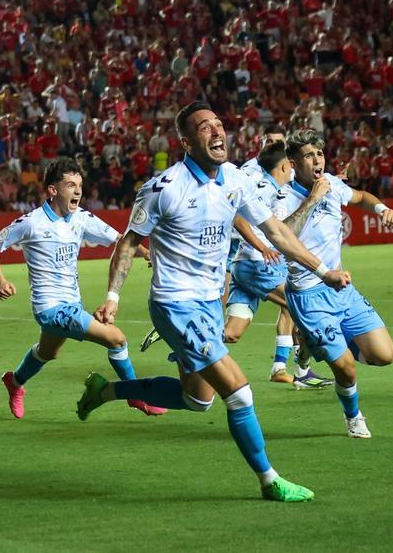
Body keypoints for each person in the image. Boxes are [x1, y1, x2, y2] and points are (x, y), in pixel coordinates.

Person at [77, 103, 350, 503]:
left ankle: (105, 392)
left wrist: (323, 270)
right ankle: (269, 480)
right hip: (175, 305)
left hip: (208, 304)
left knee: (196, 399)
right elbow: (128, 242)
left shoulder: (235, 180)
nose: (216, 131)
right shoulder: (163, 188)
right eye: (205, 128)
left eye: (219, 124)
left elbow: (276, 231)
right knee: (238, 391)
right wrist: (113, 297)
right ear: (187, 142)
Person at [0, 157, 165, 419]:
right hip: (50, 308)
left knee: (48, 352)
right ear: (52, 190)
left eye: (79, 185)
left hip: (71, 304)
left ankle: (14, 382)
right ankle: (135, 394)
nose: (78, 190)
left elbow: (120, 239)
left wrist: (145, 252)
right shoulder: (32, 222)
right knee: (116, 339)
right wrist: (0, 280)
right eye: (70, 185)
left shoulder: (81, 218)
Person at [276, 129, 393, 439]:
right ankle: (354, 417)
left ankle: (311, 343)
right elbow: (282, 236)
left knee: (384, 355)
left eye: (319, 154)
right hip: (308, 296)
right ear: (293, 163)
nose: (317, 160)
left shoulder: (332, 184)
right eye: (308, 155)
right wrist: (313, 198)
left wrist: (382, 208)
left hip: (342, 288)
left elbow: (359, 197)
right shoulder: (282, 196)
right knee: (346, 368)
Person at [222, 141, 331, 388]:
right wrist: (262, 247)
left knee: (231, 333)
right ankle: (299, 371)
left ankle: (187, 336)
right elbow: (238, 217)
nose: (294, 169)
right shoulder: (264, 188)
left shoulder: (273, 185)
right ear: (284, 166)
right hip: (258, 264)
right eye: (291, 165)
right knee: (298, 304)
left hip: (248, 265)